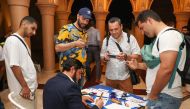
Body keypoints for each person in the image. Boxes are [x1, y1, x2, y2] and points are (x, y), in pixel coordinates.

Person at [127, 10, 186, 109]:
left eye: (142, 28)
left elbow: (166, 69)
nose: (142, 32)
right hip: (161, 95)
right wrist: (138, 65)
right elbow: (156, 65)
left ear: (149, 20)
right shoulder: (161, 37)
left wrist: (153, 94)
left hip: (165, 96)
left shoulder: (168, 35)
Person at [3, 16, 38, 109]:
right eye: (33, 28)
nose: (34, 33)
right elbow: (14, 66)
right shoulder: (13, 41)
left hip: (28, 89)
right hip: (22, 91)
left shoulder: (20, 40)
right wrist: (25, 87)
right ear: (24, 24)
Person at [100, 17, 141, 93]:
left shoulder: (130, 38)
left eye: (116, 29)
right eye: (111, 30)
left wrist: (126, 56)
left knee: (127, 100)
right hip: (110, 78)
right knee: (110, 100)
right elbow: (102, 57)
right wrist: (104, 58)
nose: (114, 32)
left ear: (121, 26)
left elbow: (137, 55)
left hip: (125, 77)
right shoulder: (106, 40)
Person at [55, 7, 92, 86]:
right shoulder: (67, 29)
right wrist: (74, 43)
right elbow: (57, 48)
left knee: (78, 93)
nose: (85, 22)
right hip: (69, 71)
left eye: (87, 20)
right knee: (68, 94)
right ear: (78, 16)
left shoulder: (85, 33)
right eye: (83, 18)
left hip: (81, 71)